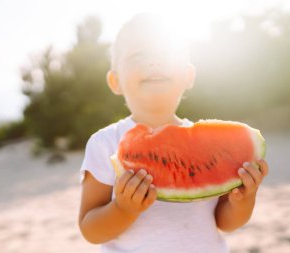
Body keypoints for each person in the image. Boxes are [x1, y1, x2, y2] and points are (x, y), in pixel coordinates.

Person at [78, 13, 269, 253]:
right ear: (115, 81)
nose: (155, 62)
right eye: (139, 55)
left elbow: (225, 222)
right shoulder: (105, 144)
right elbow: (90, 229)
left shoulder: (209, 144)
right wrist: (124, 210)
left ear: (189, 75)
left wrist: (243, 200)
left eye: (166, 53)